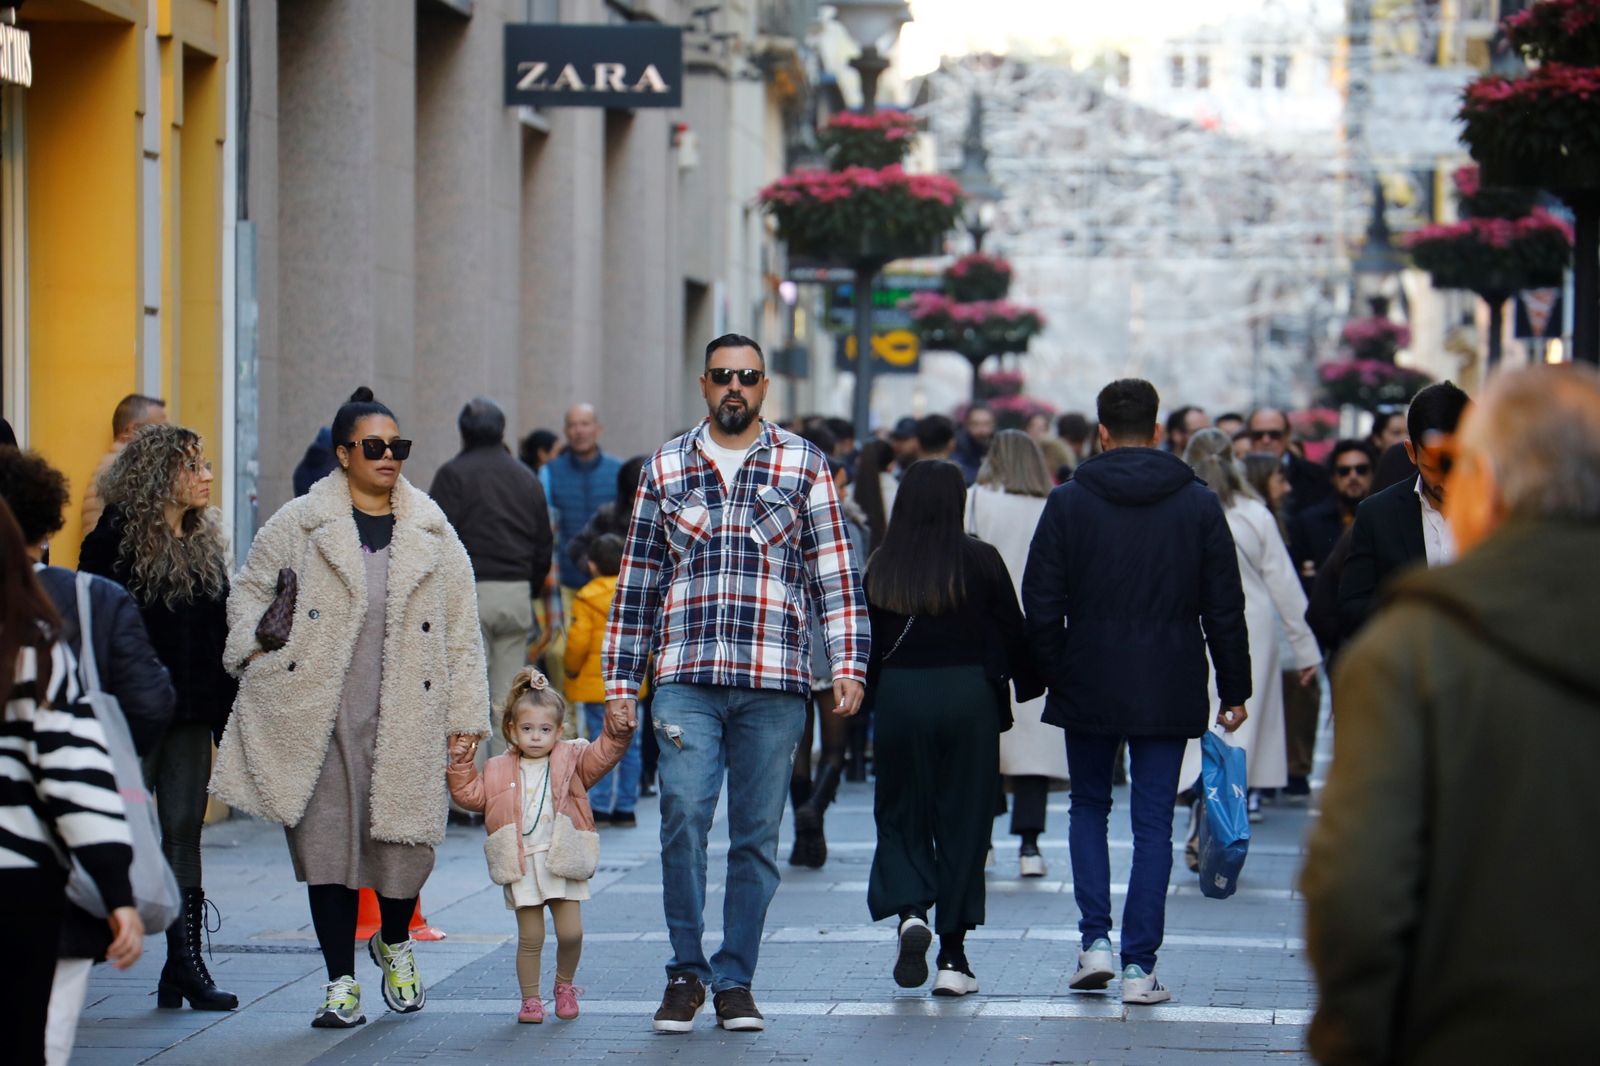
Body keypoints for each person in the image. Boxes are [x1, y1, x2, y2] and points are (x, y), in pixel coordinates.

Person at [1302, 365, 1600, 1065]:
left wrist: (1353, 1038)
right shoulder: (1405, 621)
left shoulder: (1411, 655)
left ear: (1487, 475)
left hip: (1474, 1027)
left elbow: (1358, 886)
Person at [602, 334, 868, 1034]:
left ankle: (735, 979)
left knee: (756, 834)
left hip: (774, 682)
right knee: (683, 817)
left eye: (747, 376)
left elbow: (834, 577)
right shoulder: (665, 465)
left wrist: (847, 663)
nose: (735, 387)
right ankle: (685, 971)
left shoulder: (802, 462)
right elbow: (637, 582)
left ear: (764, 385)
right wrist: (621, 679)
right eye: (723, 376)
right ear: (703, 383)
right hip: (686, 675)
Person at [211, 392, 491, 1028]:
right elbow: (249, 591)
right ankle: (340, 982)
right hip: (319, 714)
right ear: (343, 454)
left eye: (398, 447)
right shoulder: (299, 523)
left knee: (405, 845)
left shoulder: (432, 529)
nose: (389, 457)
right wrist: (256, 650)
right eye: (374, 447)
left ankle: (393, 940)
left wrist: (466, 722)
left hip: (407, 716)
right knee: (327, 851)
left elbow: (461, 631)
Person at [1021, 379, 1251, 1006]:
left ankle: (1094, 942)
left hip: (1089, 669)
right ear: (1157, 432)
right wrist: (1235, 686)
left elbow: (1040, 598)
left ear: (1101, 432)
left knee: (1087, 807)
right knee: (1152, 822)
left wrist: (1049, 667)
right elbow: (1224, 606)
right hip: (1169, 674)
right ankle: (1137, 967)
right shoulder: (1198, 504)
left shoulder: (1069, 502)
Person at [0, 448, 176, 1060]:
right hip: (30, 880)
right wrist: (116, 891)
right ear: (46, 524)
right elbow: (73, 770)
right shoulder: (50, 629)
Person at [78, 424, 239, 1013]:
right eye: (192, 466)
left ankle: (184, 964)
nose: (206, 476)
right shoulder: (113, 540)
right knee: (114, 824)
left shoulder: (203, 540)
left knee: (182, 830)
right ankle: (81, 937)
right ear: (157, 475)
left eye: (205, 464)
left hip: (192, 714)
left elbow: (219, 635)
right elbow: (96, 630)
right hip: (132, 714)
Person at [867, 460, 1041, 996]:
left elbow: (866, 643)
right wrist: (1035, 681)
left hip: (900, 695)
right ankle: (953, 955)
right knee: (964, 820)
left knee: (901, 810)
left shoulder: (883, 564)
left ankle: (910, 909)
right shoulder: (980, 559)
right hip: (968, 696)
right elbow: (1014, 632)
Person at [447, 668, 633, 1024]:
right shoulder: (497, 767)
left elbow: (604, 755)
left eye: (545, 730)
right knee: (530, 937)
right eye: (527, 729)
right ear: (512, 730)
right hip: (521, 863)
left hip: (562, 857)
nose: (536, 737)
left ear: (559, 732)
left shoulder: (573, 761)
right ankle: (530, 1000)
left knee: (571, 932)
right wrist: (461, 762)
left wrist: (617, 732)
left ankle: (564, 985)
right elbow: (471, 796)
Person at [1178, 433, 1319, 824]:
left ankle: (1196, 793)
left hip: (1187, 618)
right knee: (1241, 718)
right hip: (1250, 623)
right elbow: (1285, 586)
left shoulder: (1179, 506)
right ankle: (1225, 802)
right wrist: (1305, 651)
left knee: (1197, 714)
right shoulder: (1255, 513)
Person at [430, 397, 553, 763]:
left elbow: (435, 540)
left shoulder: (452, 475)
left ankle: (467, 792)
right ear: (501, 430)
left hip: (469, 593)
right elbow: (543, 543)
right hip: (515, 591)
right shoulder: (526, 478)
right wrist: (527, 586)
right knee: (507, 697)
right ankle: (504, 785)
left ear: (462, 431)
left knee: (466, 696)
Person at [964, 430, 1064, 878]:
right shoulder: (1053, 505)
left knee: (986, 742)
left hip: (984, 632)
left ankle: (983, 840)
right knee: (1034, 747)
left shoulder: (975, 500)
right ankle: (1030, 844)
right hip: (1041, 632)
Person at [1337, 381, 1471, 638]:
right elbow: (1351, 608)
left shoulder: (1500, 512)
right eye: (1433, 466)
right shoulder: (1377, 514)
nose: (1445, 480)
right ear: (1411, 452)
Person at [564, 534, 640, 828]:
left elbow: (578, 642)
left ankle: (600, 806)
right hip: (630, 687)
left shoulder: (585, 597)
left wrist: (571, 670)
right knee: (631, 745)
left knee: (599, 745)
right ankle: (626, 806)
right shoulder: (631, 592)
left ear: (592, 565)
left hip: (596, 688)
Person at [545, 404, 623, 594]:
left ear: (598, 429)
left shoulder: (618, 470)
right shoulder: (549, 472)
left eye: (585, 424)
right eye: (572, 425)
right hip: (565, 581)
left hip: (610, 584)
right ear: (565, 431)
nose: (579, 431)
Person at [1289, 439, 1375, 590]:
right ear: (1333, 477)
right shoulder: (1308, 522)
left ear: (1373, 473)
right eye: (1344, 471)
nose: (1353, 476)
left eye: (1361, 469)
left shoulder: (1384, 518)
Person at [82, 394, 168, 535]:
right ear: (131, 430)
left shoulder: (114, 465)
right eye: (160, 430)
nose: (166, 438)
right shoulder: (127, 469)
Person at [1246, 407, 1331, 514]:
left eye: (1274, 435)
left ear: (1287, 435)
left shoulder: (1316, 476)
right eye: (1257, 435)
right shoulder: (1239, 476)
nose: (1266, 440)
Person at [951, 404, 996, 484]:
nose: (982, 430)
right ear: (967, 425)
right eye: (975, 424)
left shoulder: (998, 445)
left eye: (986, 424)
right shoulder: (958, 445)